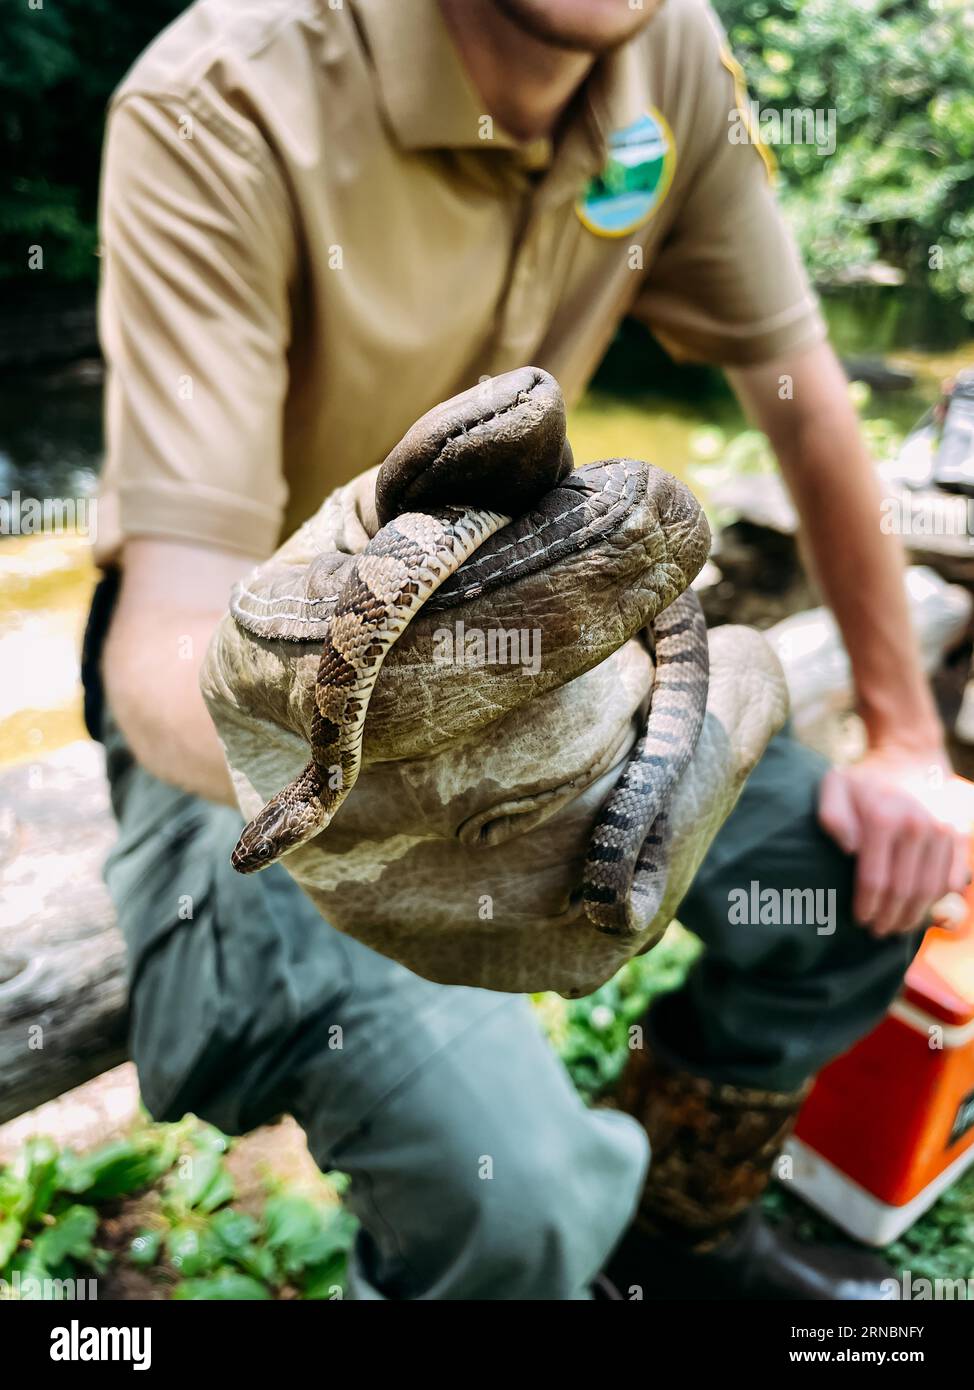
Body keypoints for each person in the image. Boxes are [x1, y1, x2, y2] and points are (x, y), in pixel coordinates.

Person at [85, 0, 969, 1300]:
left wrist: (898, 733)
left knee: (839, 886)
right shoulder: (218, 91)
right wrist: (338, 764)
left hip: (566, 664)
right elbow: (161, 639)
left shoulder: (670, 52)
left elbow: (799, 389)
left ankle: (676, 1242)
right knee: (523, 1196)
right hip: (245, 720)